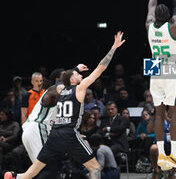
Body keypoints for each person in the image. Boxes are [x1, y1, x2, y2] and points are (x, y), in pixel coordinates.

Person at [15, 31, 126, 179]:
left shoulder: (59, 90)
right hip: (68, 134)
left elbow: (64, 79)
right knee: (95, 167)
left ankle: (13, 177)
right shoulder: (78, 89)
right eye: (78, 75)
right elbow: (100, 68)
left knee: (31, 173)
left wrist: (74, 70)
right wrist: (113, 48)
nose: (81, 75)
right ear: (73, 80)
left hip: (54, 135)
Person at [4, 64, 89, 179]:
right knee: (49, 168)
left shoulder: (62, 92)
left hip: (33, 131)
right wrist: (76, 70)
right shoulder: (56, 89)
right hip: (37, 129)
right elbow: (66, 82)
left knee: (38, 169)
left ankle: (15, 177)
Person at [146, 0, 176, 171]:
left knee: (159, 114)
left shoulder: (149, 27)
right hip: (171, 70)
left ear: (154, 17)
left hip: (154, 70)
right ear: (169, 17)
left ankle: (162, 154)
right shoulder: (173, 27)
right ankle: (173, 154)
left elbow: (150, 7)